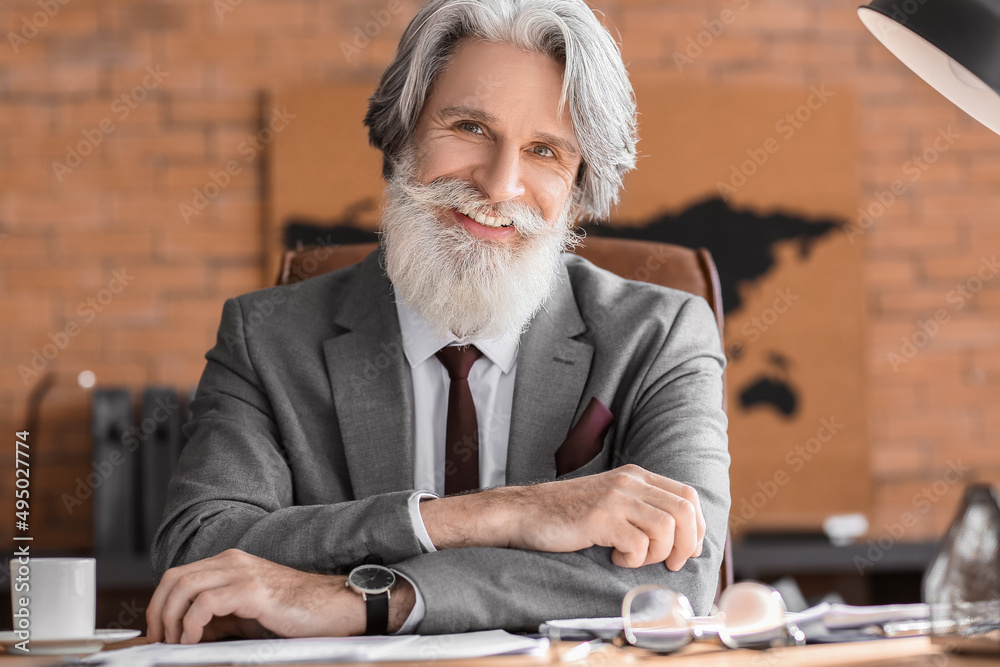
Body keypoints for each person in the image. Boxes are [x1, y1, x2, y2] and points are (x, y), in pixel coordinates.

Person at [147, 0, 730, 644]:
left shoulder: (662, 333)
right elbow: (201, 552)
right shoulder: (266, 338)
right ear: (402, 136)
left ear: (579, 189)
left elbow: (680, 580)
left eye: (545, 151)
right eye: (471, 128)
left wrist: (373, 600)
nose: (501, 184)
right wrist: (500, 514)